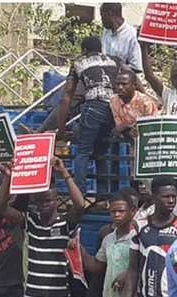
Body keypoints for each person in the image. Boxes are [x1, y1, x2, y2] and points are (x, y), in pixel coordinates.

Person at [0, 157, 86, 297]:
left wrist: (64, 172)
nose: (43, 204)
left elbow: (80, 204)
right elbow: (0, 207)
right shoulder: (30, 221)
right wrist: (9, 177)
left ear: (57, 201)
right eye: (39, 201)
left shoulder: (64, 223)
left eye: (48, 200)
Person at [57, 36, 122, 194]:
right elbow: (132, 77)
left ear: (84, 50)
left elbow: (67, 96)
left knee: (83, 151)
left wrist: (61, 130)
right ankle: (103, 197)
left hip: (94, 105)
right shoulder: (114, 60)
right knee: (102, 152)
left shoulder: (79, 62)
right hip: (114, 107)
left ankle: (79, 194)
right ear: (101, 49)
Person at [123, 176, 177, 297]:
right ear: (154, 197)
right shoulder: (139, 225)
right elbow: (133, 269)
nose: (171, 201)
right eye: (166, 197)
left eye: (174, 197)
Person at [81, 192, 135, 297]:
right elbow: (96, 266)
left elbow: (146, 266)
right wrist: (80, 249)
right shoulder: (108, 239)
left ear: (132, 211)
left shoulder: (139, 237)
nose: (116, 215)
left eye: (121, 211)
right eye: (113, 211)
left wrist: (127, 274)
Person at [110, 70, 160, 137]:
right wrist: (126, 130)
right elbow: (119, 127)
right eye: (117, 84)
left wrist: (128, 126)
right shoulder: (114, 101)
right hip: (127, 138)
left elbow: (153, 126)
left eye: (124, 84)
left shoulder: (145, 102)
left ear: (134, 85)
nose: (120, 87)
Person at [100, 3, 143, 72]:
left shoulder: (131, 34)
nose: (101, 20)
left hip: (122, 79)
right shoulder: (106, 32)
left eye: (102, 16)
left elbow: (136, 67)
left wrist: (117, 66)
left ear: (110, 13)